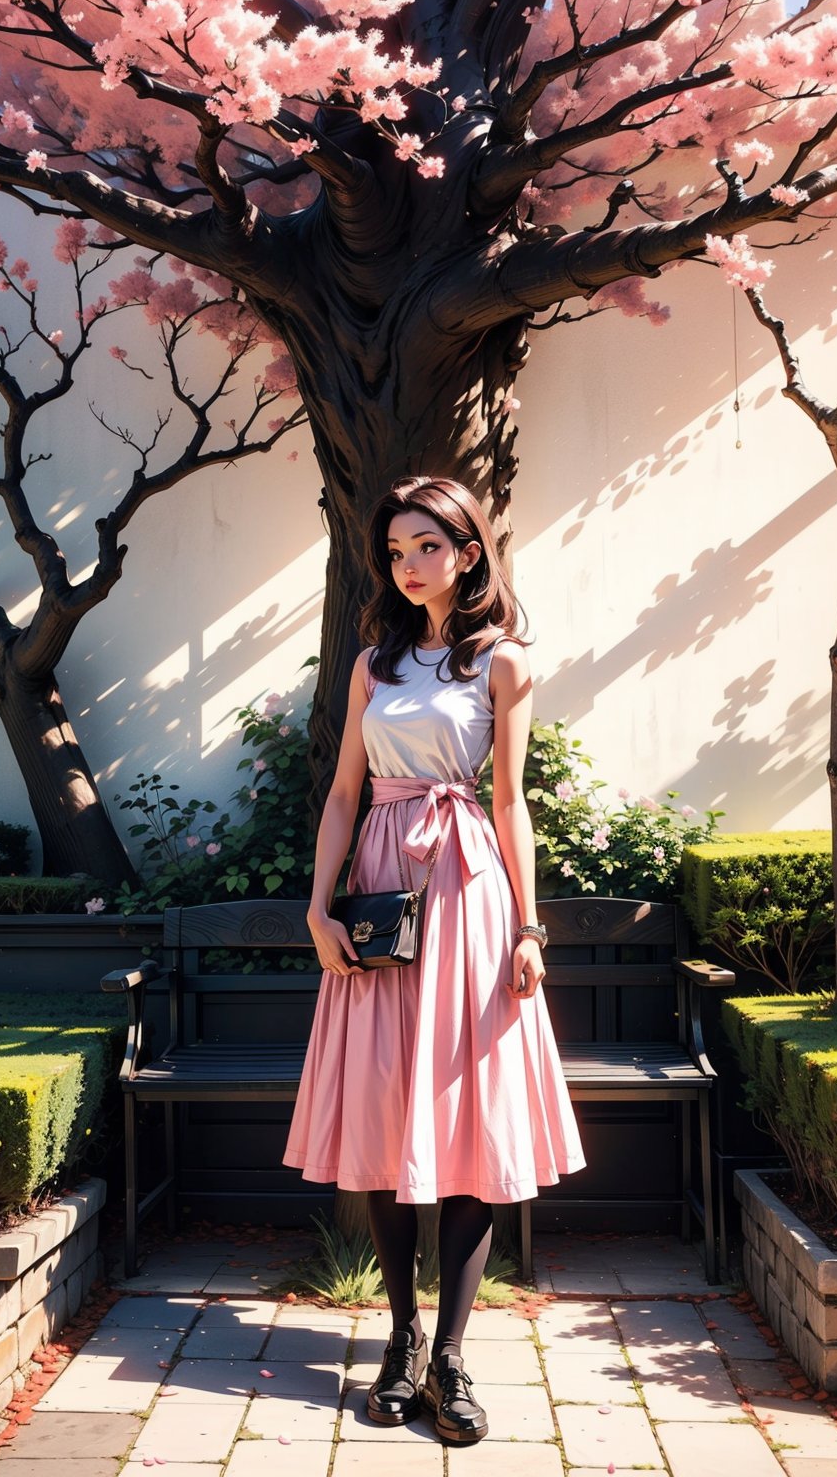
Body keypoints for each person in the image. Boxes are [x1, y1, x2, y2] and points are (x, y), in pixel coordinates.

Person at [283, 475, 585, 1445]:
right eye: (397, 550)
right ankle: (400, 1338)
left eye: (428, 546)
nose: (410, 565)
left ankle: (451, 1351)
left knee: (466, 1112)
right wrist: (318, 907)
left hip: (469, 896)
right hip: (381, 891)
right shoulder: (372, 663)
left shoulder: (502, 664)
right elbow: (341, 795)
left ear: (467, 551)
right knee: (382, 1104)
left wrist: (529, 930)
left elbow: (510, 803)